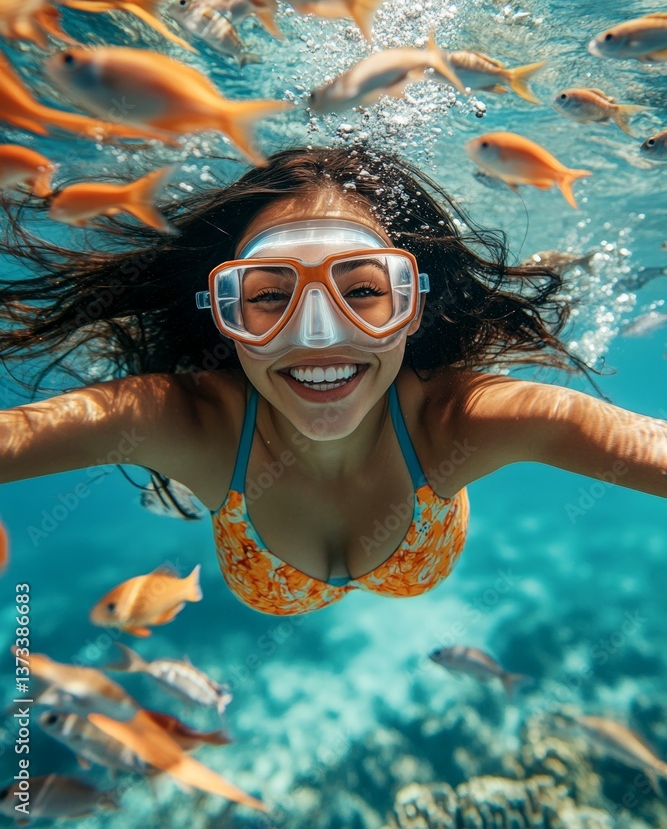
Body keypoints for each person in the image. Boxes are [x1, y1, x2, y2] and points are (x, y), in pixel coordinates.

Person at [1, 146, 665, 615]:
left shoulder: (460, 420)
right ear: (223, 312)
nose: (317, 334)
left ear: (413, 305)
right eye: (267, 297)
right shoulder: (187, 421)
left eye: (365, 292)